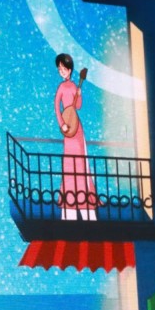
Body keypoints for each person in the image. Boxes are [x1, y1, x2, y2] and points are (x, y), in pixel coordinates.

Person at [53, 53, 97, 221]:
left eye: (64, 68)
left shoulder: (73, 86)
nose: (61, 71)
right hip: (68, 129)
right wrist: (61, 124)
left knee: (80, 163)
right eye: (59, 69)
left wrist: (79, 94)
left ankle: (84, 201)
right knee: (69, 164)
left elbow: (77, 106)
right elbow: (57, 107)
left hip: (77, 129)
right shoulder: (61, 87)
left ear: (70, 69)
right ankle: (69, 204)